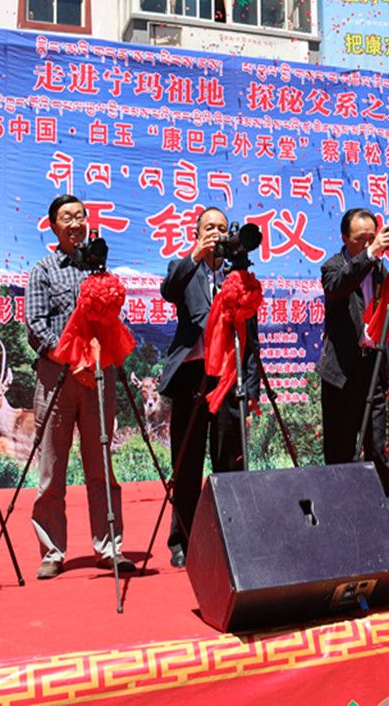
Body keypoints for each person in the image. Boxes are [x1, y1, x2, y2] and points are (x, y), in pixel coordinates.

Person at [25, 195, 133, 579]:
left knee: (101, 464)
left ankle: (109, 547)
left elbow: (113, 319)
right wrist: (70, 356)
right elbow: (35, 326)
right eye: (66, 218)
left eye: (80, 217)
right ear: (53, 226)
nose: (75, 224)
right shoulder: (43, 270)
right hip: (56, 375)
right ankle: (52, 551)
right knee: (52, 467)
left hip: (98, 377)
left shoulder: (99, 271)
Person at [159, 207, 259, 569]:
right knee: (186, 466)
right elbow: (169, 290)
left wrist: (252, 392)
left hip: (229, 378)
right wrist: (196, 254)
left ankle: (232, 540)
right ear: (197, 232)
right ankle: (182, 541)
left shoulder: (238, 275)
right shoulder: (185, 268)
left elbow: (251, 338)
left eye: (221, 228)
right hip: (192, 376)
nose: (216, 233)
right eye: (209, 228)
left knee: (229, 462)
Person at [318, 208, 389, 502]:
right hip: (341, 373)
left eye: (372, 237)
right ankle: (340, 513)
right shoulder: (333, 266)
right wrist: (371, 254)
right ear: (344, 238)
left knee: (376, 448)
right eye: (360, 239)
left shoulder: (380, 271)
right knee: (339, 451)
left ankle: (382, 515)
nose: (368, 243)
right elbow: (338, 286)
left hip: (373, 370)